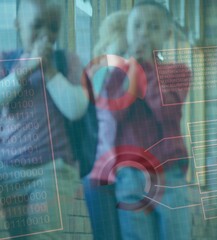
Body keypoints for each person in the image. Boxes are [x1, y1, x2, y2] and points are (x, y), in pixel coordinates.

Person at [90, 1, 191, 239]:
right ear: (127, 32)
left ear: (167, 34)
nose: (143, 33)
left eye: (153, 27)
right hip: (130, 174)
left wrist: (147, 68)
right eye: (137, 26)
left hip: (170, 174)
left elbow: (167, 111)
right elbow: (114, 113)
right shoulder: (116, 74)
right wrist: (132, 71)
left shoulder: (178, 71)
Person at [0, 0, 89, 238]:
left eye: (53, 28)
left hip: (54, 169)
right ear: (18, 25)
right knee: (20, 234)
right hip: (10, 169)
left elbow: (75, 109)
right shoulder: (6, 60)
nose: (45, 35)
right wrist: (25, 70)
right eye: (37, 25)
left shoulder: (65, 61)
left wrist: (49, 71)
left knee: (44, 233)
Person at [82, 10, 128, 240]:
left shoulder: (135, 81)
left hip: (128, 174)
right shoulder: (93, 76)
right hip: (99, 173)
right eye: (119, 51)